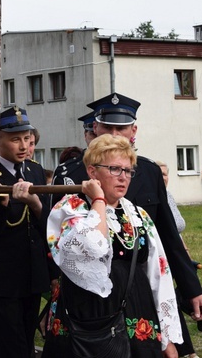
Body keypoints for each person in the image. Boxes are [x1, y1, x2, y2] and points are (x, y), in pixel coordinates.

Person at [52, 93, 202, 328]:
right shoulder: (71, 174)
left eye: (122, 128)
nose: (115, 134)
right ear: (95, 127)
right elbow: (56, 240)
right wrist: (53, 288)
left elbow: (168, 236)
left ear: (133, 131)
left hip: (139, 287)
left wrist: (191, 288)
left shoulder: (148, 172)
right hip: (89, 291)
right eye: (108, 127)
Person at [43, 134, 182, 357]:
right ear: (92, 172)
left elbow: (159, 273)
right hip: (86, 318)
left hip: (137, 312)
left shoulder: (138, 214)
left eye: (128, 171)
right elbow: (94, 247)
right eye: (115, 169)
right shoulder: (71, 208)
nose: (123, 177)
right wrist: (98, 199)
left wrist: (167, 338)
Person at [0, 106, 50, 358]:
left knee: (26, 344)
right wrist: (0, 207)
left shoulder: (34, 170)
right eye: (15, 139)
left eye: (27, 139)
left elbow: (45, 226)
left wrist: (35, 205)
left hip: (31, 276)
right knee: (6, 347)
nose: (23, 146)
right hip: (0, 279)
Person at [155, 160, 200, 358]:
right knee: (168, 302)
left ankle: (185, 349)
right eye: (160, 174)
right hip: (160, 257)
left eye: (166, 174)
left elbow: (176, 228)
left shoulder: (169, 196)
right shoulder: (154, 196)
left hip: (176, 252)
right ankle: (184, 350)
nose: (163, 177)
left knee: (174, 300)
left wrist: (185, 254)